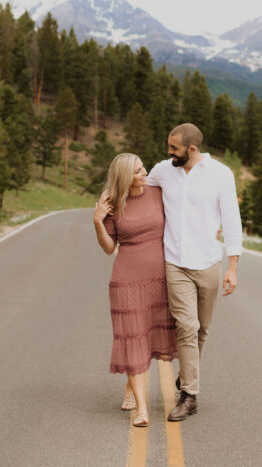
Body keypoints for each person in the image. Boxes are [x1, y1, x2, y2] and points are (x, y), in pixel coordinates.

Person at [146, 123, 242, 422]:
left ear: (192, 149)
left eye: (174, 148)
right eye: (168, 146)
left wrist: (233, 267)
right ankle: (190, 395)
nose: (168, 152)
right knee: (186, 326)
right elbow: (139, 191)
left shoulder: (221, 174)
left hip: (209, 263)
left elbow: (231, 220)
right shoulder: (163, 170)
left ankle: (187, 377)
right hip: (175, 262)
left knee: (202, 329)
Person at [92, 153, 178, 428]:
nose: (145, 174)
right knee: (132, 337)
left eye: (143, 168)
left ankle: (132, 387)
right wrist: (97, 220)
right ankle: (141, 408)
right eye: (138, 172)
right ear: (124, 179)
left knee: (149, 336)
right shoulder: (113, 203)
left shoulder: (158, 192)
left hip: (160, 278)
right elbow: (108, 248)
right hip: (127, 280)